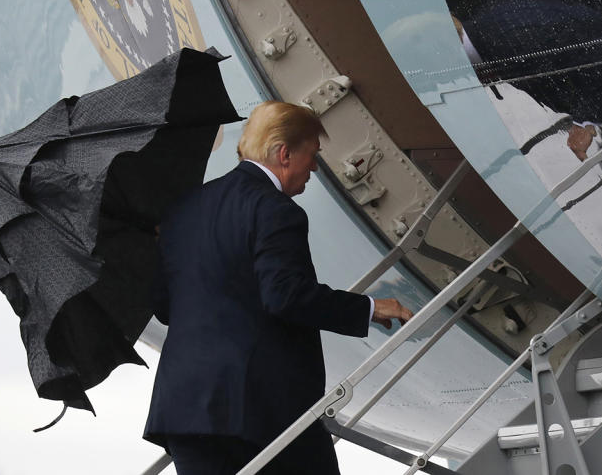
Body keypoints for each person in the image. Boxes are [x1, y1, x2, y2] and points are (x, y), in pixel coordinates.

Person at [144, 101, 413, 474]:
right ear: (285, 154)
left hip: (185, 412)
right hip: (261, 410)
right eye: (312, 155)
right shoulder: (275, 209)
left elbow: (164, 306)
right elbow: (285, 295)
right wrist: (368, 308)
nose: (315, 168)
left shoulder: (183, 211)